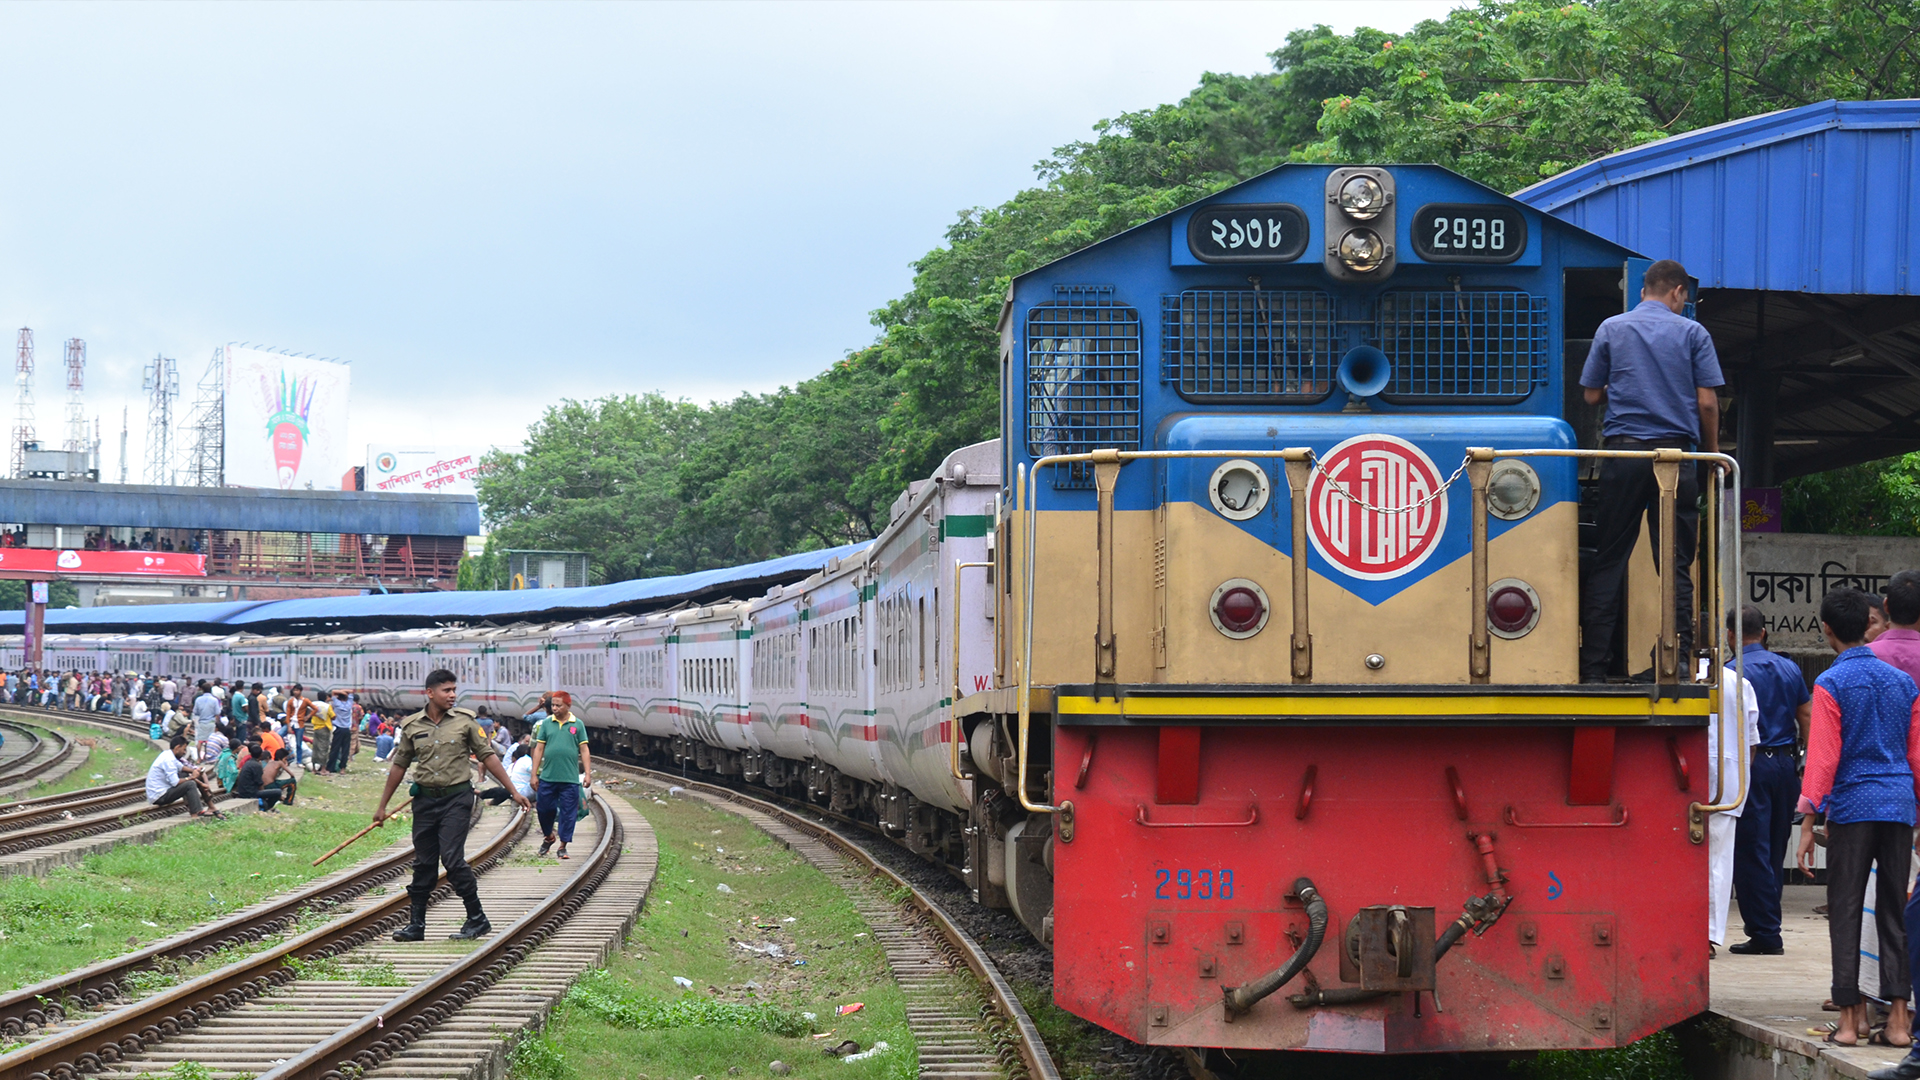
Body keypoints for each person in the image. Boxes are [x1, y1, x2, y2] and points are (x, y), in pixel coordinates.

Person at [1576, 258, 1725, 682]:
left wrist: (1622, 389)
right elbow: (1708, 403)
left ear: (1644, 291)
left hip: (1623, 457)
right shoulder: (1693, 332)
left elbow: (1589, 396)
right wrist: (1710, 455)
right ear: (1678, 292)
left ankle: (1593, 668)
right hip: (1675, 460)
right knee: (1676, 563)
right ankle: (1677, 660)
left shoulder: (1612, 328)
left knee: (1609, 558)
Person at [1796, 588, 1920, 1049]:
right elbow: (1916, 755)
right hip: (1898, 805)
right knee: (1894, 912)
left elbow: (1824, 758)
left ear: (1827, 630)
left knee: (1846, 911)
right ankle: (1899, 1023)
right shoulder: (1902, 683)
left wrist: (1808, 817)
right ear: (1870, 624)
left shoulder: (1831, 683)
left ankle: (1851, 1022)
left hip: (1852, 808)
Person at [372, 669, 529, 941]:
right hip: (424, 801)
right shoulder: (412, 726)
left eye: (454, 690)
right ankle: (416, 926)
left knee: (453, 860)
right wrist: (382, 806)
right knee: (424, 863)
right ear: (430, 693)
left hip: (456, 799)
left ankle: (477, 918)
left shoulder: (465, 722)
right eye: (446, 690)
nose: (453, 695)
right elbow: (399, 765)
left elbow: (488, 756)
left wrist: (512, 790)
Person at [1725, 605, 1814, 956]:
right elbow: (1805, 714)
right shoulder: (1788, 667)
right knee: (1775, 849)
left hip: (1753, 765)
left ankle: (1765, 933)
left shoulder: (1731, 673)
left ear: (1730, 636)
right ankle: (1768, 923)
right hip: (1786, 767)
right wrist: (1806, 762)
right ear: (1763, 632)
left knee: (1751, 850)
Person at [1707, 658, 1761, 952]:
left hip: (1684, 772)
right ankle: (1708, 935)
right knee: (1718, 860)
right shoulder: (1739, 684)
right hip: (1728, 779)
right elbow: (1751, 741)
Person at [530, 691, 592, 859]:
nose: (555, 708)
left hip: (569, 778)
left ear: (568, 706)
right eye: (553, 706)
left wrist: (587, 774)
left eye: (559, 705)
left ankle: (563, 845)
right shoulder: (546, 724)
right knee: (544, 809)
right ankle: (549, 836)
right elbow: (539, 749)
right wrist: (534, 774)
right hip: (548, 777)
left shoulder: (577, 725)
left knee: (568, 813)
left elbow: (584, 749)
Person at [146, 735, 217, 818]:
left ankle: (207, 807)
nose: (184, 752)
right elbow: (175, 783)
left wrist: (194, 771)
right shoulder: (168, 760)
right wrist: (191, 778)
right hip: (159, 796)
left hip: (162, 792)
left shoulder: (168, 754)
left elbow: (181, 767)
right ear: (177, 747)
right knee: (190, 784)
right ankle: (196, 814)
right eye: (184, 749)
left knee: (186, 774)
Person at [233, 742, 297, 811]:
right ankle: (269, 807)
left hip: (243, 791)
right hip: (250, 793)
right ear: (260, 755)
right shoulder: (257, 765)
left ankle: (266, 805)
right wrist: (264, 794)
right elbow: (259, 783)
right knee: (278, 792)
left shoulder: (248, 763)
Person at [191, 680, 221, 757]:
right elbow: (217, 712)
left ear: (202, 690)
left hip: (202, 722)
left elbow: (195, 712)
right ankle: (207, 756)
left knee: (200, 741)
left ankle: (199, 758)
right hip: (211, 722)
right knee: (209, 741)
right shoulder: (214, 700)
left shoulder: (198, 699)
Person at [327, 690, 354, 773]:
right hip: (347, 729)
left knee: (335, 749)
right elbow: (351, 692)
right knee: (345, 750)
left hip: (338, 729)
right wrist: (345, 692)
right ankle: (342, 768)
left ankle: (330, 768)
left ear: (338, 697)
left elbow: (333, 692)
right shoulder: (349, 704)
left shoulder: (336, 703)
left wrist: (340, 692)